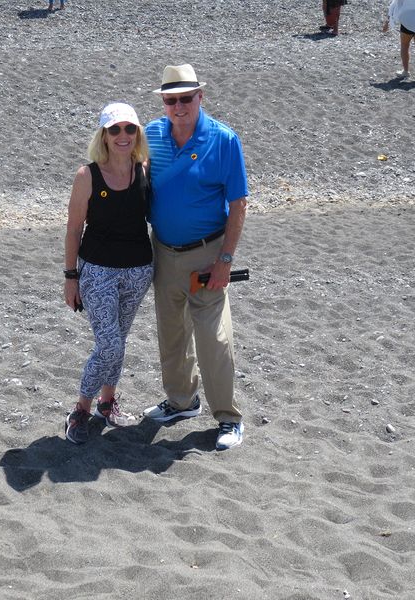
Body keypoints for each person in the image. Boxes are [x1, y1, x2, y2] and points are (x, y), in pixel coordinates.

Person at [143, 64, 248, 451]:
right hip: (163, 252)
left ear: (200, 97)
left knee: (213, 340)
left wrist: (225, 260)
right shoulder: (151, 135)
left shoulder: (223, 140)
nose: (179, 106)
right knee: (171, 334)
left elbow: (239, 204)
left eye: (186, 98)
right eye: (171, 100)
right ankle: (181, 402)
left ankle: (229, 418)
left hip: (207, 255)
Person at [63, 102, 153, 444]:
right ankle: (80, 410)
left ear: (137, 134)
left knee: (119, 340)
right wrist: (71, 276)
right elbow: (73, 230)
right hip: (97, 271)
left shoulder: (143, 169)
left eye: (130, 129)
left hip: (138, 270)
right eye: (115, 129)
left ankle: (107, 403)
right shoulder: (87, 175)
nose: (123, 136)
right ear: (103, 134)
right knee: (110, 344)